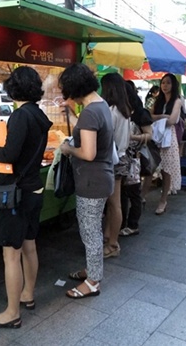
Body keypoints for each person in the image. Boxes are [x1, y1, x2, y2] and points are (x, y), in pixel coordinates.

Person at [0, 66, 52, 329]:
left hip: (17, 193)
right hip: (34, 188)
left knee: (11, 254)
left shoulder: (20, 116)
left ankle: (12, 313)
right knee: (30, 245)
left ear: (14, 88)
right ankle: (28, 294)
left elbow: (10, 153)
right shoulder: (39, 115)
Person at [58, 63, 114, 299]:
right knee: (92, 231)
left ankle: (93, 282)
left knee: (90, 232)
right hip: (101, 178)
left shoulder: (91, 112)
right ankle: (92, 270)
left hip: (92, 180)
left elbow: (88, 153)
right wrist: (72, 113)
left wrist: (68, 149)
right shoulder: (100, 106)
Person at [99, 73, 132, 258]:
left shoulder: (110, 111)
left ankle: (113, 244)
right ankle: (110, 237)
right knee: (114, 204)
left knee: (114, 204)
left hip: (112, 161)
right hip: (122, 157)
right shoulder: (124, 110)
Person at [145, 74, 182, 214]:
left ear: (174, 85)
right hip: (156, 137)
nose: (165, 85)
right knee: (150, 166)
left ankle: (163, 200)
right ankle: (142, 196)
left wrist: (159, 118)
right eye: (163, 83)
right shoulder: (157, 100)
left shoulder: (177, 101)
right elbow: (150, 116)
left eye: (168, 83)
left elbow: (172, 121)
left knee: (167, 170)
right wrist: (162, 116)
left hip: (169, 138)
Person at [120, 81, 153, 236]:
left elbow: (149, 135)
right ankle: (120, 223)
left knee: (133, 192)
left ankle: (133, 224)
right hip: (120, 157)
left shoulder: (140, 113)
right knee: (120, 193)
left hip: (134, 158)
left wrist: (131, 136)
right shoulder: (119, 111)